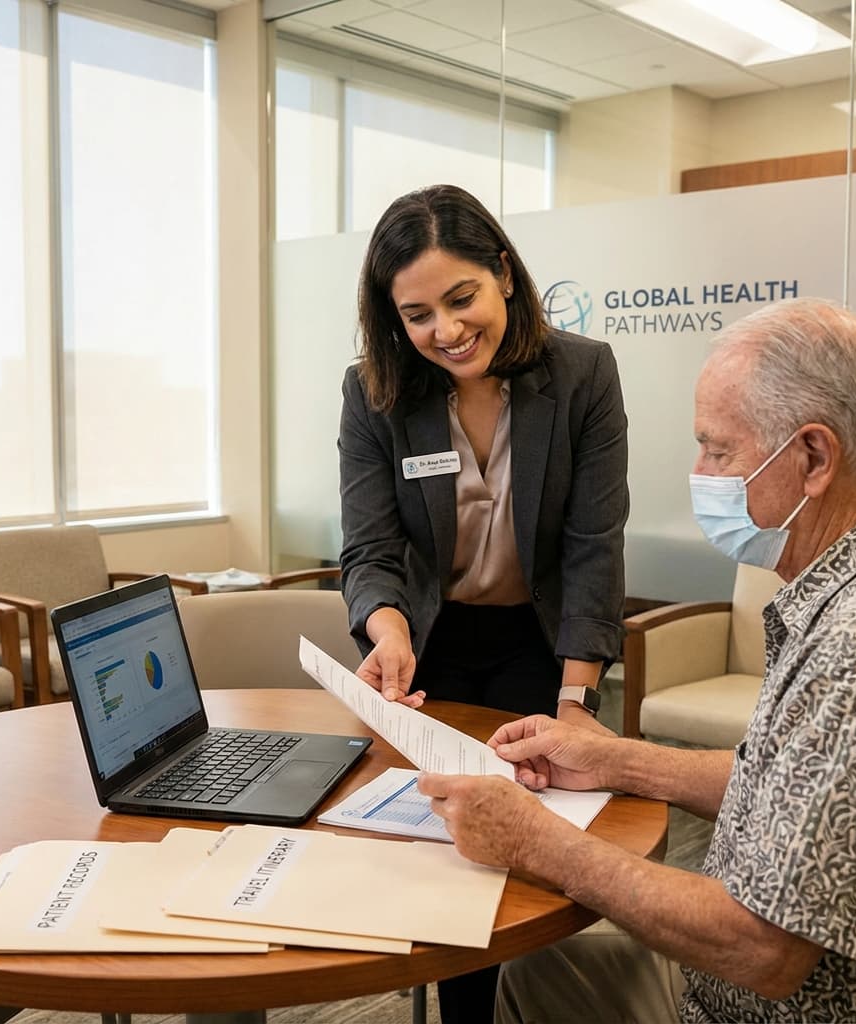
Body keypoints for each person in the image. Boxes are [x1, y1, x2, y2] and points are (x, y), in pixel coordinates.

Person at [418, 297, 856, 1024]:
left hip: (762, 1005)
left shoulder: (851, 647)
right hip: (731, 987)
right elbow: (785, 785)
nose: (700, 473)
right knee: (537, 968)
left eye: (718, 450)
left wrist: (538, 841)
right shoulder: (828, 595)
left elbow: (765, 950)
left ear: (813, 458)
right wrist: (616, 760)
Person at [338, 184, 629, 1022]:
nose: (446, 331)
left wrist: (576, 699)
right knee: (442, 853)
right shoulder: (376, 392)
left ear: (503, 272)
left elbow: (590, 546)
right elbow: (370, 545)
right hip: (431, 647)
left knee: (528, 856)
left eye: (461, 298)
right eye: (418, 314)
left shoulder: (581, 375)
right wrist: (386, 628)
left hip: (541, 643)